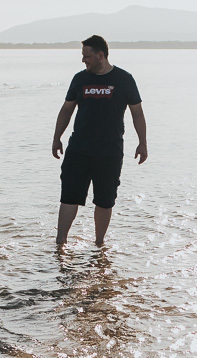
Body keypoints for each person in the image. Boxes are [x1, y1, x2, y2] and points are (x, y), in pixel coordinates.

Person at [52, 35, 147, 247]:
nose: (83, 60)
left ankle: (99, 245)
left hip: (109, 152)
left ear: (100, 55)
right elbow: (67, 109)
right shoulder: (80, 79)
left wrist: (142, 142)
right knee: (69, 196)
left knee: (104, 200)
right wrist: (56, 137)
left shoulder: (124, 79)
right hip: (78, 150)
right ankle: (60, 244)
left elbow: (137, 113)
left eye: (87, 56)